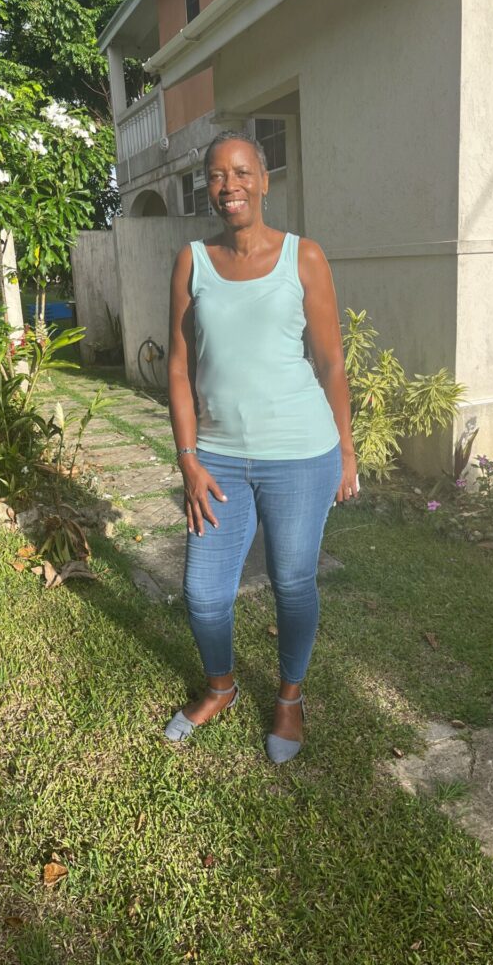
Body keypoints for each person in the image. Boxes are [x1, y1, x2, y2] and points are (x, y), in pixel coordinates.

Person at [164, 129, 357, 763]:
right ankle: (221, 686)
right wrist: (188, 458)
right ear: (208, 188)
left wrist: (347, 452)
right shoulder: (191, 260)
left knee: (292, 580)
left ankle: (290, 699)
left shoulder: (305, 257)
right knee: (204, 593)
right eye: (218, 176)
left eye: (242, 172)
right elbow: (178, 366)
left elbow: (330, 362)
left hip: (301, 453)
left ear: (265, 180)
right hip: (216, 457)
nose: (230, 186)